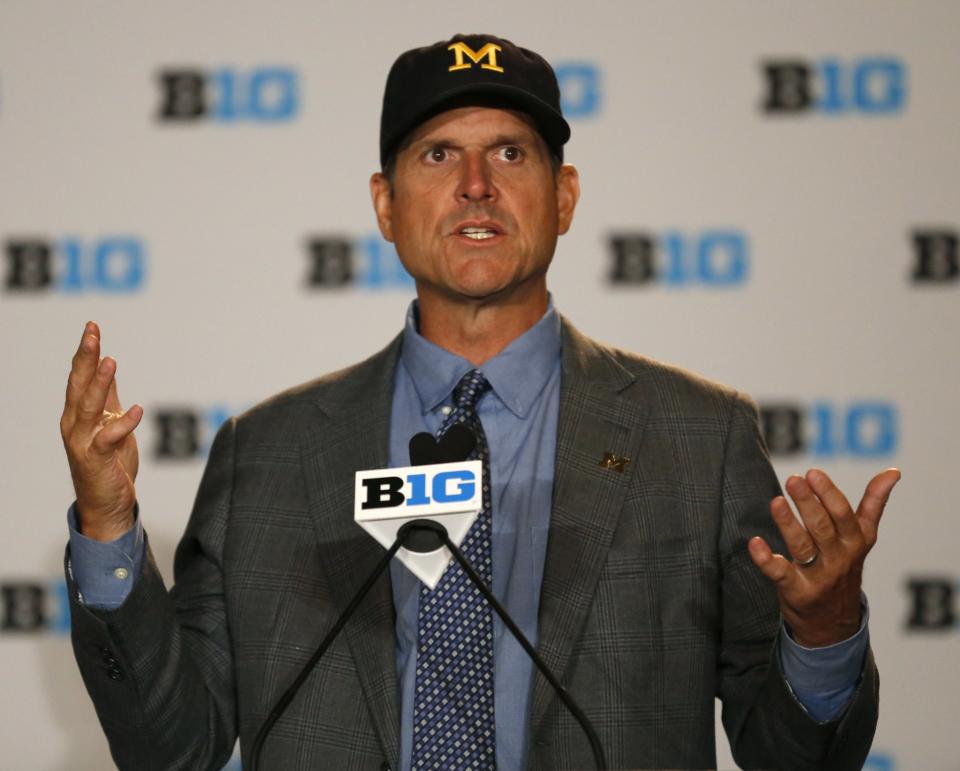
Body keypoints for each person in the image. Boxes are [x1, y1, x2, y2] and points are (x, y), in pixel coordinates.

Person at [60, 34, 899, 770]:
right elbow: (170, 747)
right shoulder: (266, 453)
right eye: (436, 155)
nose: (473, 185)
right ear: (385, 207)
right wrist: (107, 526)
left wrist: (822, 631)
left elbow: (797, 756)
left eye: (509, 154)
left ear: (564, 196)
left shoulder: (699, 438)